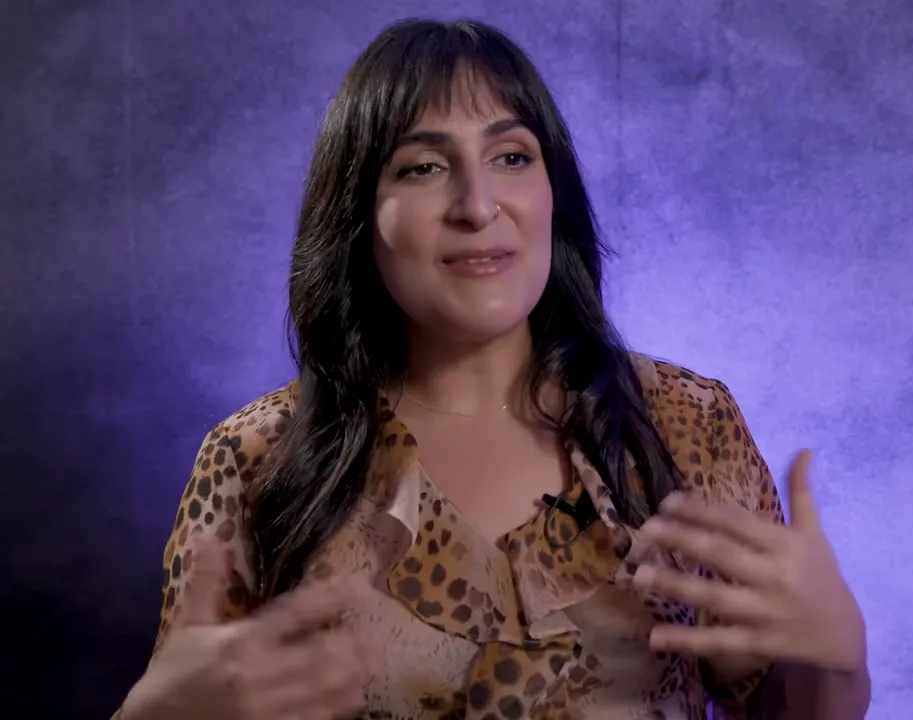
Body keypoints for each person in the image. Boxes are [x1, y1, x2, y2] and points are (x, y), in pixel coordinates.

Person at [114, 17, 870, 720]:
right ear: (357, 217)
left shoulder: (687, 426)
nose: (478, 205)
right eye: (421, 167)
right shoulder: (255, 462)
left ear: (553, 194)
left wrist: (834, 666)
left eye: (511, 157)